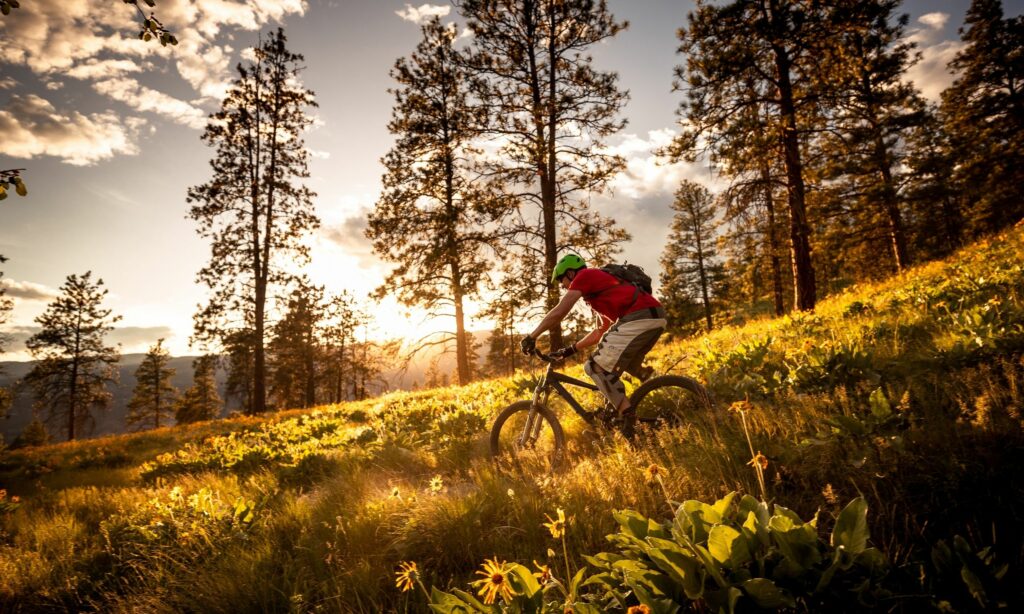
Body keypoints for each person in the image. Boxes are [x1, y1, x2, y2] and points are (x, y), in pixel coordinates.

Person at [520, 254, 667, 438]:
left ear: (572, 273)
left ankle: (629, 422)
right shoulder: (598, 291)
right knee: (616, 366)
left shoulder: (585, 276)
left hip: (639, 317)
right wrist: (570, 350)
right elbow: (600, 331)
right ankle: (642, 383)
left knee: (594, 366)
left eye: (562, 280)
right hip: (655, 317)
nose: (563, 286)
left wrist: (532, 336)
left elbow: (560, 311)